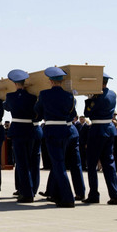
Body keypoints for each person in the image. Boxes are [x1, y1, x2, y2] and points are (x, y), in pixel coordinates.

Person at [34, 67, 77, 208]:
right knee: (59, 163)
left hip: (52, 131)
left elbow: (38, 112)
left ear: (51, 81)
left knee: (58, 165)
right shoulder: (70, 96)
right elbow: (72, 115)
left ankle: (67, 197)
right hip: (65, 131)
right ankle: (56, 194)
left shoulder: (44, 94)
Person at [83, 73, 117, 205]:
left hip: (97, 131)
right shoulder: (113, 94)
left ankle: (94, 195)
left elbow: (87, 113)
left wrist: (89, 99)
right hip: (109, 129)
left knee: (92, 164)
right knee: (109, 163)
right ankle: (115, 194)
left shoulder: (97, 97)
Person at [3, 69, 38, 203]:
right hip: (30, 130)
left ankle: (27, 193)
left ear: (14, 83)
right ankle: (30, 189)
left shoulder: (10, 96)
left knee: (22, 163)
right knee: (29, 162)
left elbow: (6, 107)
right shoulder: (32, 97)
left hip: (18, 131)